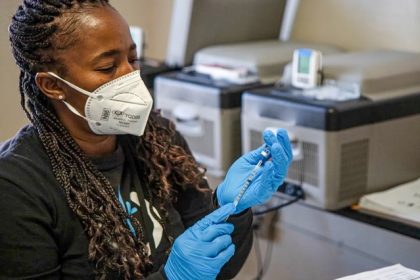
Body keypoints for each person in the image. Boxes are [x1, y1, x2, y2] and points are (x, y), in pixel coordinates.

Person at [0, 1, 292, 279]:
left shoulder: (157, 139)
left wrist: (232, 207)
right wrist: (171, 277)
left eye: (132, 58)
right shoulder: (16, 187)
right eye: (107, 67)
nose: (131, 76)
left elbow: (220, 269)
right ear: (52, 85)